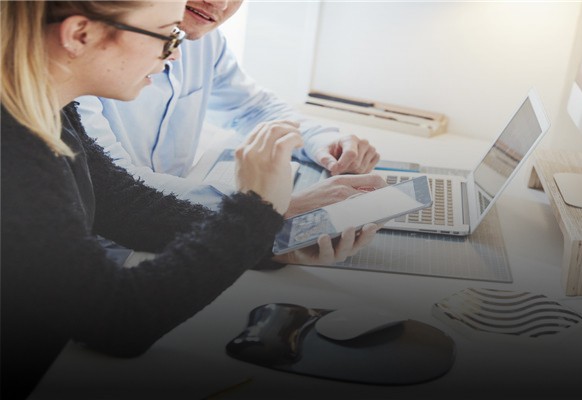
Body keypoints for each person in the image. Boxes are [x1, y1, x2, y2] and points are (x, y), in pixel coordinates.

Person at [0, 2, 380, 398]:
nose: (176, 54)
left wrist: (266, 239)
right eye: (166, 35)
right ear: (80, 34)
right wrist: (256, 208)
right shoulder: (13, 150)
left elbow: (122, 203)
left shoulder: (51, 110)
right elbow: (117, 320)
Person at [77, 0, 383, 212]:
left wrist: (321, 140)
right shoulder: (83, 65)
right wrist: (268, 211)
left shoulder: (205, 42)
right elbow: (117, 188)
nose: (220, 4)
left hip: (181, 222)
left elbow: (252, 108)